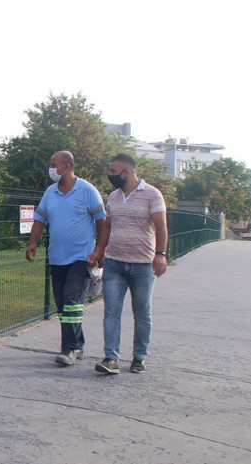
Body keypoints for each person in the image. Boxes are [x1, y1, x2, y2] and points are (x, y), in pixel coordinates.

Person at [26, 151, 108, 366]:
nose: (51, 168)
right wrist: (33, 242)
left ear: (67, 166)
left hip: (81, 258)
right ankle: (78, 344)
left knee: (72, 300)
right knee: (63, 303)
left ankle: (69, 348)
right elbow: (40, 218)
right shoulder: (50, 192)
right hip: (57, 257)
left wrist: (99, 251)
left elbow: (102, 222)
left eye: (54, 164)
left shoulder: (87, 191)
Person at [94, 154, 168, 375]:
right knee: (111, 311)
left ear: (126, 172)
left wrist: (161, 254)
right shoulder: (114, 197)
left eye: (113, 171)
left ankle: (139, 357)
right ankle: (111, 358)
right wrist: (99, 250)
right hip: (115, 263)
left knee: (142, 312)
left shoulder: (152, 195)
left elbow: (161, 226)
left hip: (142, 264)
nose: (110, 175)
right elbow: (107, 226)